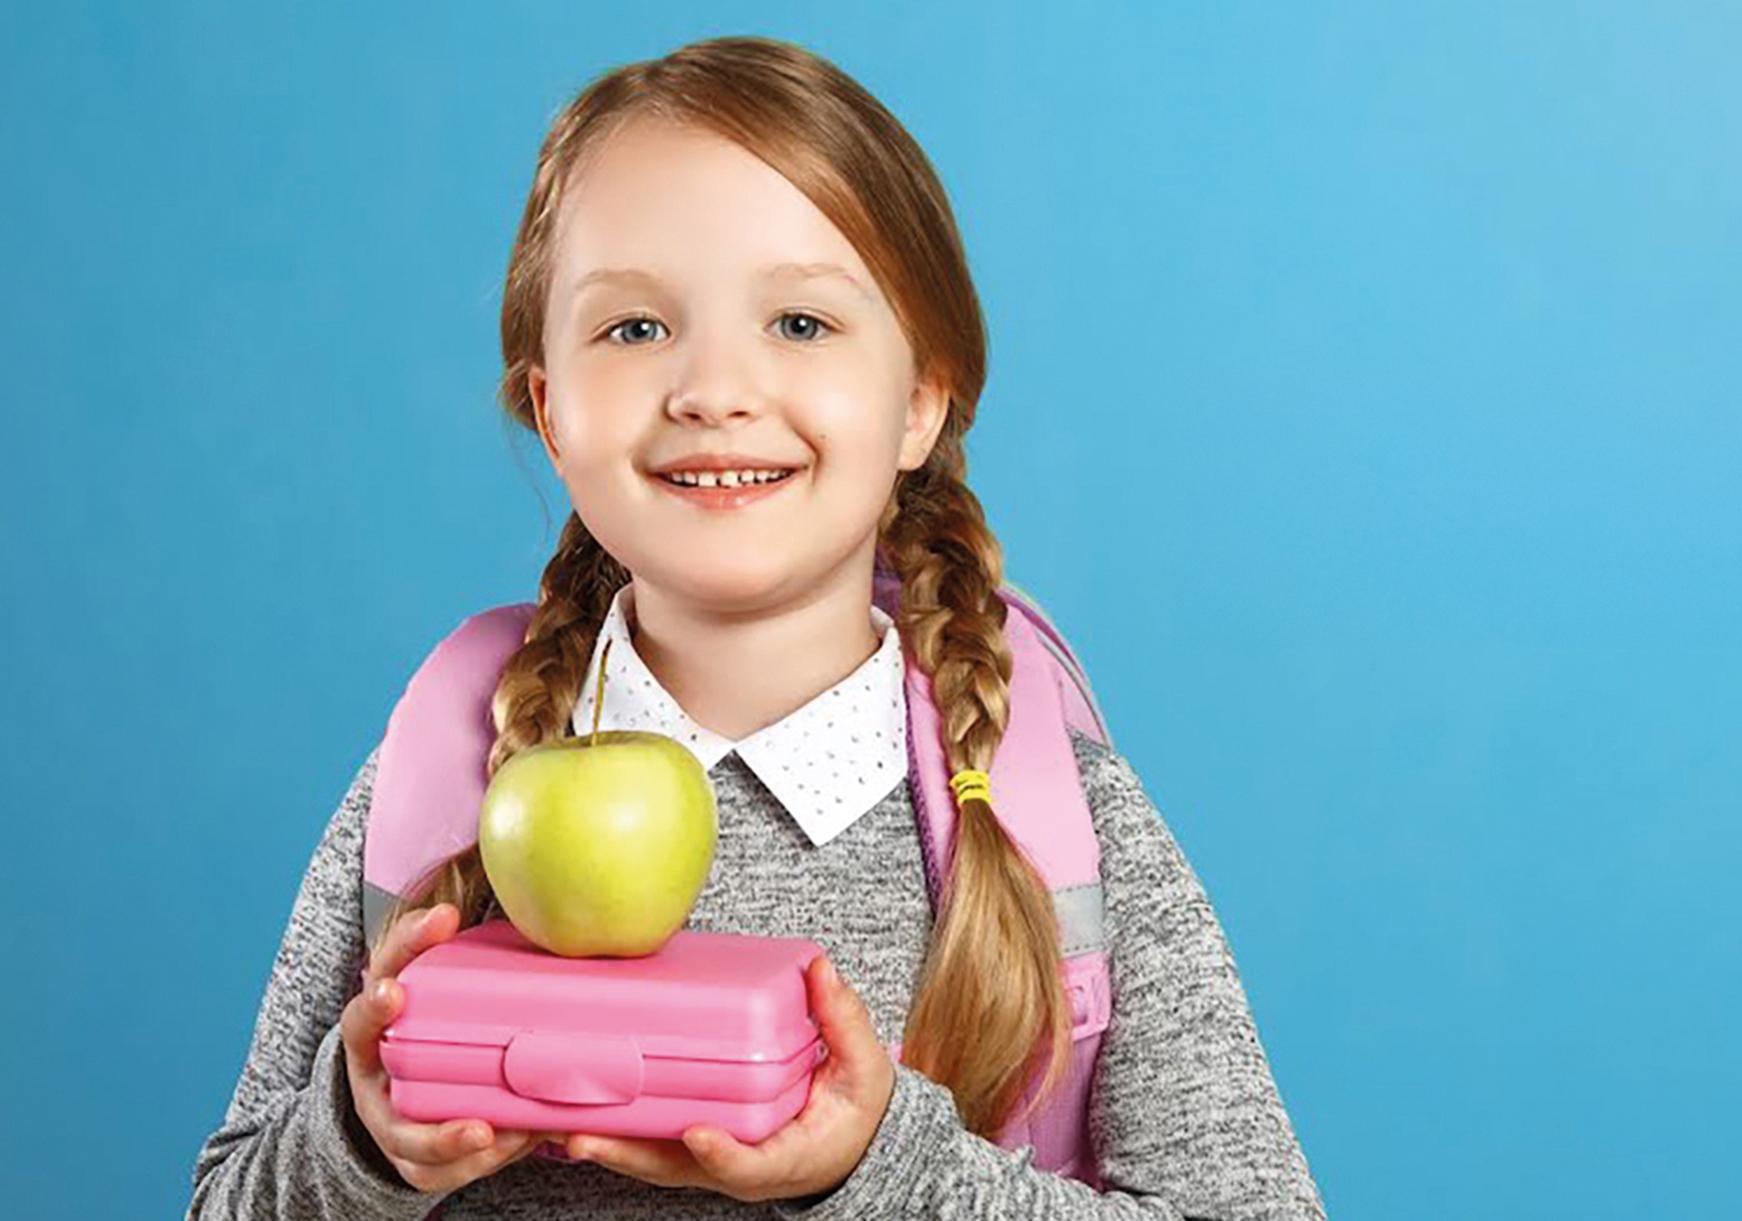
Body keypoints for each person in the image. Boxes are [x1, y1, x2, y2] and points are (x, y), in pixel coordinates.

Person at [187, 33, 1328, 1221]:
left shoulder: (1054, 816)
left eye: (799, 323)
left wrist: (883, 1170)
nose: (714, 389)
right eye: (634, 329)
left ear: (920, 402)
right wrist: (358, 1146)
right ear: (550, 410)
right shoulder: (436, 787)